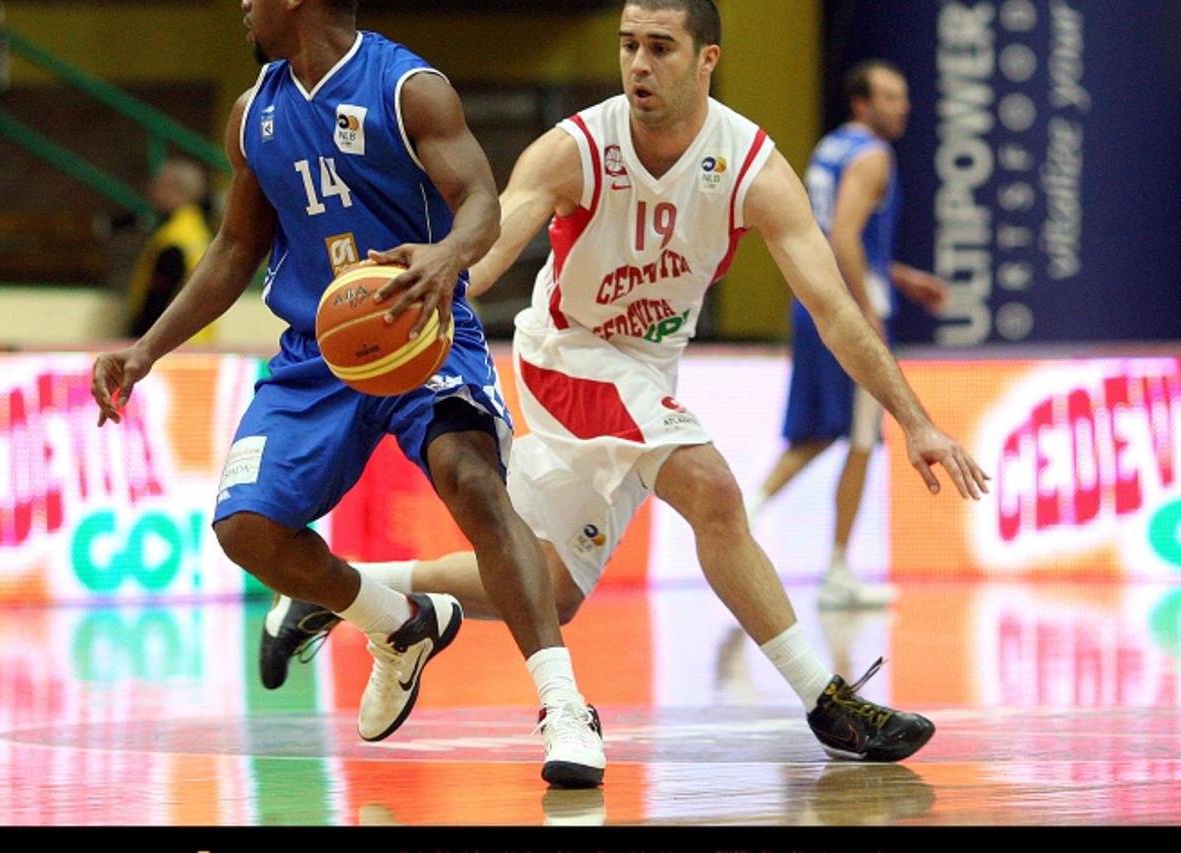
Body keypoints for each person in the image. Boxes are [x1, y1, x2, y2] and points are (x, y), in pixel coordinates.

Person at [260, 0, 990, 765]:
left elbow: (834, 308)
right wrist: (425, 293)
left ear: (707, 59)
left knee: (548, 584)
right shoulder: (576, 148)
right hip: (567, 353)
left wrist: (917, 419)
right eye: (628, 45)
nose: (639, 64)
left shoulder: (749, 164)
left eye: (661, 48)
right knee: (711, 488)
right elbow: (490, 249)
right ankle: (827, 701)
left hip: (648, 366)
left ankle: (336, 589)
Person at [90, 0, 605, 789]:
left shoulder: (409, 88)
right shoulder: (251, 114)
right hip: (317, 351)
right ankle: (397, 623)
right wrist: (147, 349)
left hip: (420, 326)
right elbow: (235, 247)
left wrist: (445, 257)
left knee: (474, 481)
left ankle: (565, 706)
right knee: (245, 529)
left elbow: (483, 204)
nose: (243, 7)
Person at [745, 60, 951, 610]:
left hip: (809, 302)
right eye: (890, 96)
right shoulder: (873, 156)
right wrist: (867, 312)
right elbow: (844, 238)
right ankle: (833, 566)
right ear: (862, 104)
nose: (902, 105)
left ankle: (746, 516)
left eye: (903, 95)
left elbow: (834, 236)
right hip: (842, 310)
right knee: (860, 438)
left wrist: (902, 279)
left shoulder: (831, 148)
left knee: (824, 434)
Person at [125, 158, 216, 342]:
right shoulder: (199, 231)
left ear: (174, 189)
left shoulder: (174, 237)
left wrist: (139, 339)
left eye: (158, 185)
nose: (152, 191)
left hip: (169, 343)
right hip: (199, 338)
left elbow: (158, 295)